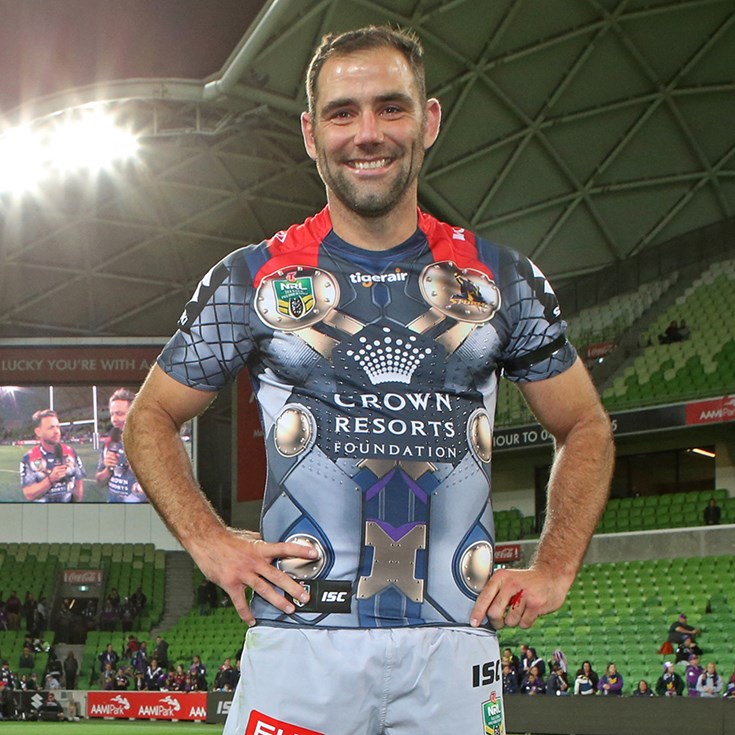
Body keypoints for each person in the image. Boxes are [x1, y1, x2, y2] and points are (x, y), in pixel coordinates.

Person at [124, 24, 614, 735]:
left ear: (429, 120)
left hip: (455, 643)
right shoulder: (253, 277)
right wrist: (207, 540)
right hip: (301, 640)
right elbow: (150, 418)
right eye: (341, 113)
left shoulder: (501, 277)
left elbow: (584, 424)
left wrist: (556, 565)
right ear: (310, 133)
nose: (367, 134)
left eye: (390, 107)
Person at [20, 409, 85, 502]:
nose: (56, 431)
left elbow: (78, 486)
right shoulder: (29, 457)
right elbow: (29, 494)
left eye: (57, 427)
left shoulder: (70, 452)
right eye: (51, 428)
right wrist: (51, 479)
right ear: (38, 432)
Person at [95, 388, 147, 503]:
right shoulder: (109, 442)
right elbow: (99, 481)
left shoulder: (150, 443)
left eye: (119, 414)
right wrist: (107, 469)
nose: (114, 419)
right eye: (112, 414)